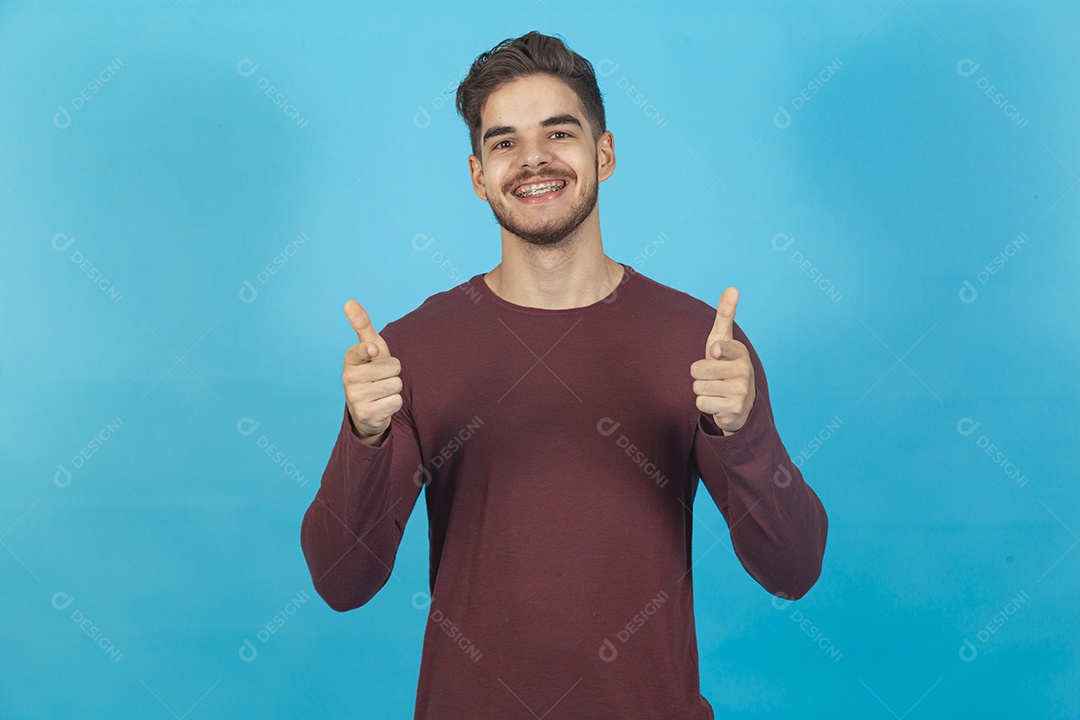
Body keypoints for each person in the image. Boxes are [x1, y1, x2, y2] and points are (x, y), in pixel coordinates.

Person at [300, 30, 828, 719]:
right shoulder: (411, 353)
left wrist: (743, 431)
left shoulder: (703, 347)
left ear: (604, 154)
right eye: (504, 142)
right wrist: (364, 440)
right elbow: (343, 581)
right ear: (476, 175)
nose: (534, 160)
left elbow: (793, 570)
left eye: (559, 132)